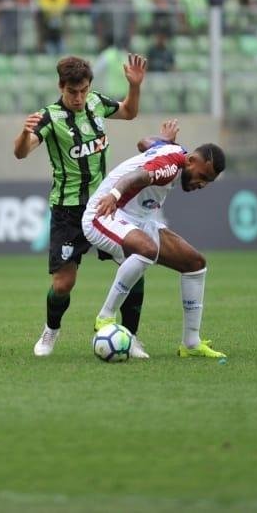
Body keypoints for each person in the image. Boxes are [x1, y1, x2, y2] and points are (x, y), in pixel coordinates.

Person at [14, 54, 147, 358]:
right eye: (72, 92)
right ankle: (50, 332)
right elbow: (21, 153)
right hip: (68, 211)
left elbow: (128, 112)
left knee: (134, 264)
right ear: (61, 87)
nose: (78, 97)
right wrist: (24, 133)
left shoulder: (97, 102)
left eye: (83, 90)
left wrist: (134, 86)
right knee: (63, 283)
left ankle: (131, 337)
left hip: (104, 206)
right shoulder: (48, 117)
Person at [85, 121, 227, 359]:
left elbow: (143, 143)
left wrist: (164, 141)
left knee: (195, 264)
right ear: (190, 161)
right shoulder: (171, 166)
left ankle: (191, 343)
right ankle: (105, 317)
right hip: (105, 212)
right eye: (202, 176)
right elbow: (137, 176)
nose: (201, 184)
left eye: (208, 181)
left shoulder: (174, 152)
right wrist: (113, 195)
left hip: (139, 220)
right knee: (147, 250)